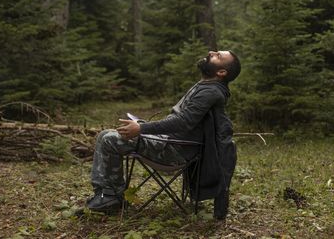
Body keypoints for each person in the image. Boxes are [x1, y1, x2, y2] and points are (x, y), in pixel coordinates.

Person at [87, 50, 241, 219]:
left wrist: (141, 129)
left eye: (218, 56)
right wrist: (143, 126)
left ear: (221, 72)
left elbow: (183, 122)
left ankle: (110, 197)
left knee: (109, 140)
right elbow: (181, 121)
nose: (212, 52)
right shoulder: (207, 86)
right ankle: (107, 195)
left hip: (173, 150)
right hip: (168, 142)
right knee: (104, 135)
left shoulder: (210, 92)